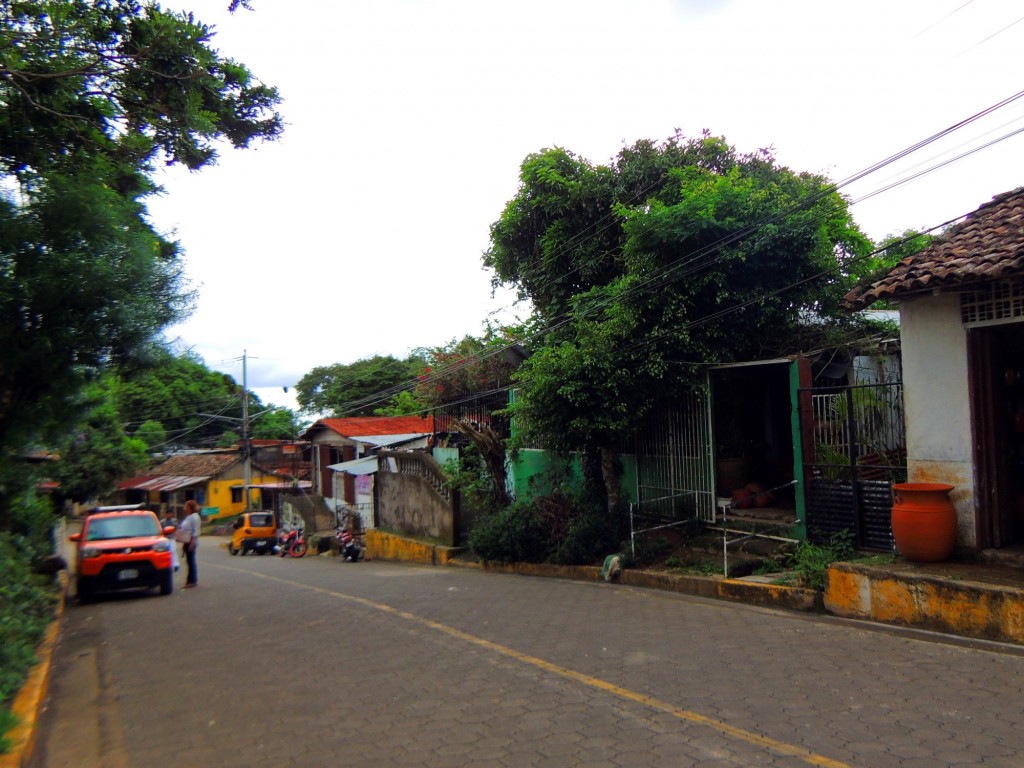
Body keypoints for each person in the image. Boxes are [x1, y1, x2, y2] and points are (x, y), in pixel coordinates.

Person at [179, 499, 202, 588]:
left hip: (191, 541)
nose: (185, 508)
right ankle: (190, 580)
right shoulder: (189, 516)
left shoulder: (194, 517)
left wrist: (193, 542)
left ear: (190, 507)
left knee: (191, 561)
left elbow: (196, 531)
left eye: (186, 506)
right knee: (189, 561)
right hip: (186, 540)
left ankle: (192, 581)